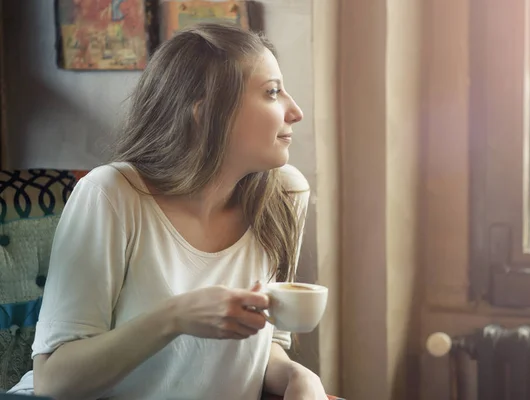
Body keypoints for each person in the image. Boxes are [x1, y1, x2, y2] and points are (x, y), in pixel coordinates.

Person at [8, 22, 327, 400]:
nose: (296, 111)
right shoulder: (112, 195)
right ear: (206, 113)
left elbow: (261, 348)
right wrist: (176, 317)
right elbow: (54, 381)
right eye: (272, 92)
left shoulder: (284, 195)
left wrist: (297, 378)